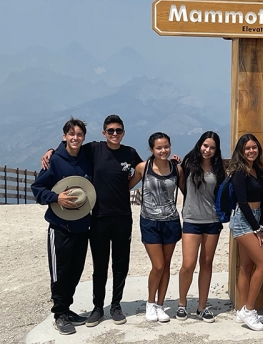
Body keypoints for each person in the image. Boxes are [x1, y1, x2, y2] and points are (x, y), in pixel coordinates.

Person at [42, 114, 143, 327]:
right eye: (110, 130)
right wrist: (51, 151)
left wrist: (131, 183)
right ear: (104, 132)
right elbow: (71, 148)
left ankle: (116, 305)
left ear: (123, 132)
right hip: (97, 218)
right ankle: (97, 307)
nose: (114, 134)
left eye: (118, 130)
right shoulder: (94, 149)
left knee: (120, 264)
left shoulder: (130, 152)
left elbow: (144, 167)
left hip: (123, 217)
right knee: (99, 265)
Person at [31, 117, 95, 335]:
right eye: (71, 134)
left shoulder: (88, 157)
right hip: (60, 227)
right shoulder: (55, 161)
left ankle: (67, 309)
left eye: (79, 134)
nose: (75, 138)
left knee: (76, 270)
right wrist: (56, 198)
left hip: (82, 226)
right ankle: (59, 313)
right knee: (60, 272)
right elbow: (38, 188)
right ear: (64, 136)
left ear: (83, 137)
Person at [129, 133, 182, 323]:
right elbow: (127, 185)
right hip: (149, 221)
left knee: (166, 265)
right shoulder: (143, 168)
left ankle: (160, 304)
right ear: (151, 149)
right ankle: (150, 302)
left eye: (166, 146)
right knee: (158, 265)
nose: (163, 150)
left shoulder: (177, 169)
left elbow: (187, 189)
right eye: (159, 147)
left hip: (171, 221)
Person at [175, 131, 226, 323]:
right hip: (191, 220)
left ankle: (202, 307)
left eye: (212, 147)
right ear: (199, 145)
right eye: (205, 146)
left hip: (212, 221)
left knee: (206, 264)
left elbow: (221, 191)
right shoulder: (188, 163)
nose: (208, 150)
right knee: (188, 264)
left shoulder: (218, 167)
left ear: (216, 149)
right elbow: (181, 184)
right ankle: (181, 303)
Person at [228, 134, 263, 331]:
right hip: (243, 221)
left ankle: (242, 310)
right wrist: (257, 228)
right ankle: (249, 309)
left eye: (254, 147)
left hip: (255, 216)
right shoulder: (239, 171)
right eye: (247, 148)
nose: (251, 151)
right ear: (241, 151)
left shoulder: (257, 170)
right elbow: (242, 202)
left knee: (246, 265)